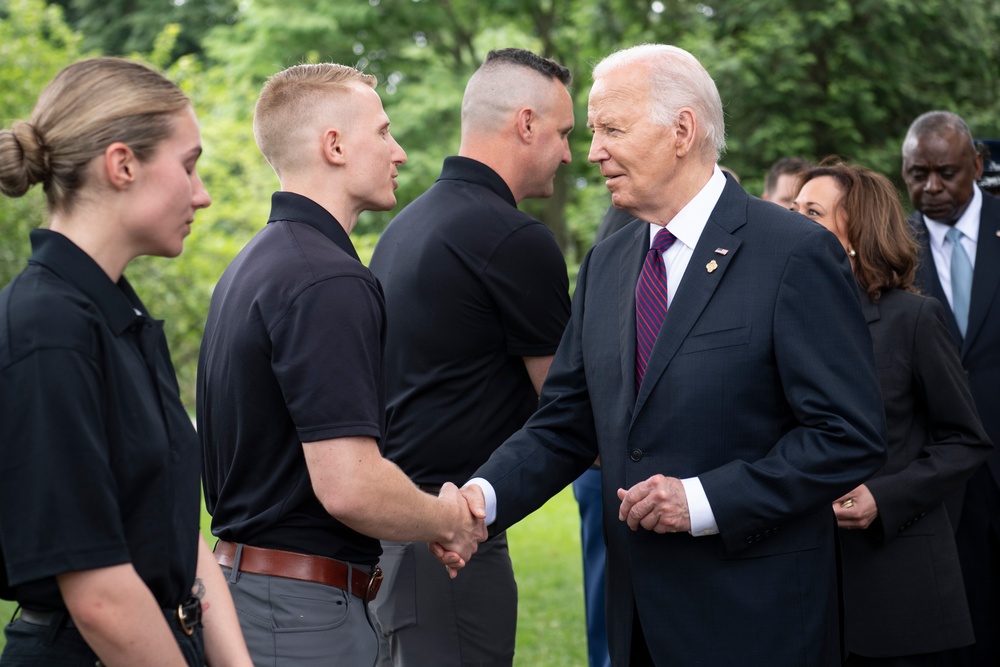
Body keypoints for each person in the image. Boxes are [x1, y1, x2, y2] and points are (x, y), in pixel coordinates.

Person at [436, 44, 888, 665]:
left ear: (682, 130)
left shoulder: (793, 253)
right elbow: (566, 422)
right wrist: (480, 500)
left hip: (757, 621)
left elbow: (848, 435)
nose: (592, 152)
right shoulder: (607, 264)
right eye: (593, 132)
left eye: (611, 130)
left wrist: (702, 500)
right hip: (638, 622)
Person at [196, 63, 485, 667]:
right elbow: (350, 485)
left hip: (257, 594)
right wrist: (445, 519)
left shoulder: (256, 263)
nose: (399, 152)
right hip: (298, 618)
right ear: (333, 145)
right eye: (382, 132)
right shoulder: (325, 278)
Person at [0, 57, 251, 666]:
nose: (203, 194)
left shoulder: (121, 316)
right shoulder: (48, 326)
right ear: (122, 164)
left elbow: (168, 527)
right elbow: (100, 596)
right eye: (188, 165)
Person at [367, 48, 573, 667]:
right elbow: (570, 406)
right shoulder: (513, 239)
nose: (569, 153)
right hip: (448, 544)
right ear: (527, 124)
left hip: (399, 533)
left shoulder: (405, 228)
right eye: (563, 133)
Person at [792, 161, 992, 666]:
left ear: (856, 233)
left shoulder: (914, 320)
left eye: (811, 213)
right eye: (793, 210)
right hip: (806, 585)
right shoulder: (787, 321)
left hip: (898, 587)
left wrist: (882, 498)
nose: (794, 222)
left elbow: (965, 441)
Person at [901, 111, 1000, 667]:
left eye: (946, 173)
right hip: (936, 473)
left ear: (977, 166)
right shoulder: (892, 247)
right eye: (917, 174)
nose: (931, 188)